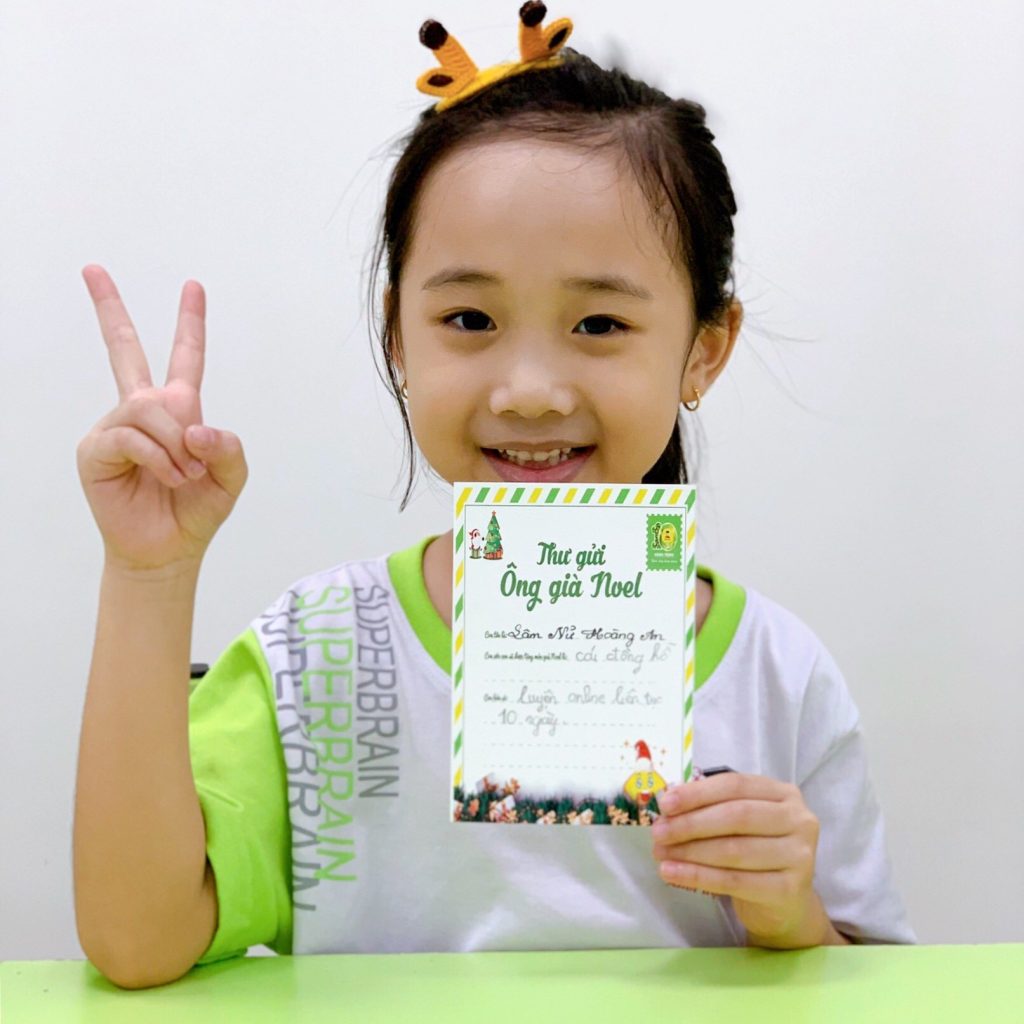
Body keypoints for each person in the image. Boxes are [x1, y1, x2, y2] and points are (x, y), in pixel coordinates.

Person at [72, 3, 916, 991]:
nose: (529, 390)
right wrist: (149, 573)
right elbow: (137, 942)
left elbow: (885, 984)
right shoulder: (318, 655)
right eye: (470, 318)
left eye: (598, 324)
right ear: (398, 334)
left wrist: (792, 914)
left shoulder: (778, 676)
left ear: (704, 349)